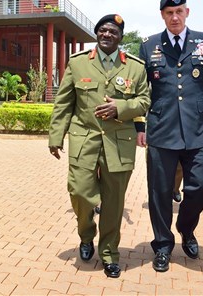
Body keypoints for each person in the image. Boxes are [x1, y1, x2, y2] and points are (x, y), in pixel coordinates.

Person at [48, 14, 150, 278]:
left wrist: (121, 107)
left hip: (119, 143)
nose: (107, 35)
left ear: (120, 38)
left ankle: (109, 253)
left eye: (113, 32)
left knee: (114, 203)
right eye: (103, 30)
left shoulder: (136, 68)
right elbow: (64, 103)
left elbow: (144, 101)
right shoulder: (78, 63)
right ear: (97, 33)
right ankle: (86, 235)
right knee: (80, 192)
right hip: (85, 139)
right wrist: (56, 136)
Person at [136, 0, 203, 272]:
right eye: (168, 13)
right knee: (160, 192)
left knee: (202, 185)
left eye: (179, 12)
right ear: (162, 15)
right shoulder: (149, 45)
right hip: (162, 130)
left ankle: (186, 228)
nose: (174, 17)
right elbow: (143, 90)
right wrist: (141, 126)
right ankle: (163, 245)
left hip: (198, 128)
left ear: (187, 12)